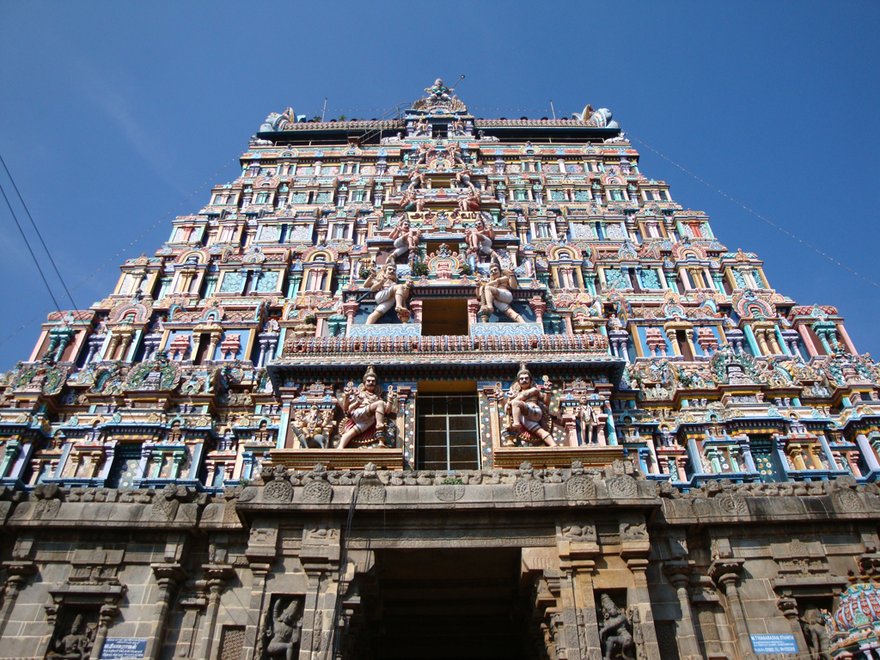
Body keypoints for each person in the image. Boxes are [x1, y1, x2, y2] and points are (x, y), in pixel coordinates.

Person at [337, 366, 389, 448]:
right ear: (364, 384)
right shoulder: (360, 394)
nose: (371, 382)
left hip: (367, 421)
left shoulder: (377, 397)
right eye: (368, 381)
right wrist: (347, 396)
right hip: (359, 413)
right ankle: (380, 433)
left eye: (373, 381)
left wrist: (390, 400)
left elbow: (387, 411)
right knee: (379, 403)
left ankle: (340, 448)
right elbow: (346, 408)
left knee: (349, 434)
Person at [504, 365, 554, 446]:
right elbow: (508, 409)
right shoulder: (515, 395)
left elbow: (546, 402)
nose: (524, 380)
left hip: (534, 412)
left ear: (530, 381)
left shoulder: (534, 390)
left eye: (526, 378)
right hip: (524, 417)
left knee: (516, 403)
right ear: (518, 382)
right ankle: (553, 445)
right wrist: (507, 401)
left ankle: (516, 424)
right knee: (540, 432)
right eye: (521, 379)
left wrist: (548, 392)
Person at [598, 594, 635, 660]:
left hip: (626, 638)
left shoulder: (621, 617)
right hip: (621, 638)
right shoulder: (610, 620)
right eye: (610, 609)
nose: (612, 610)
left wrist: (602, 632)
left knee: (610, 639)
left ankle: (607, 658)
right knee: (609, 640)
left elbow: (607, 628)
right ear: (607, 612)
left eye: (613, 608)